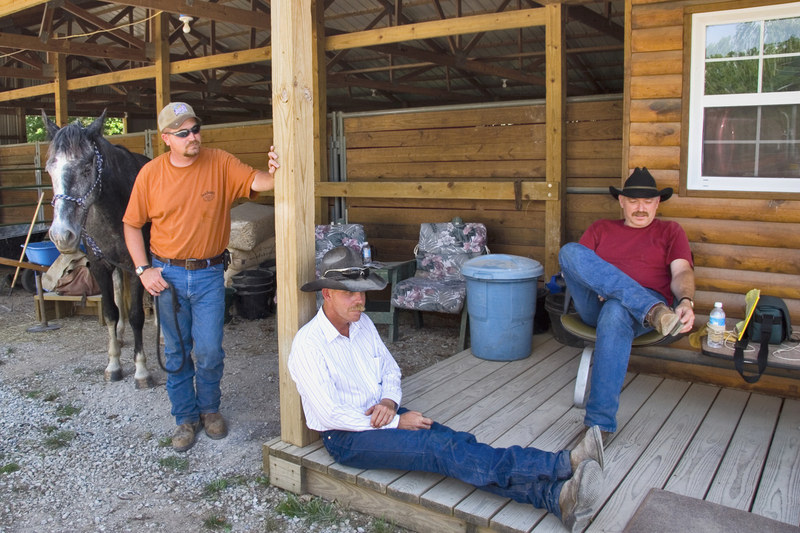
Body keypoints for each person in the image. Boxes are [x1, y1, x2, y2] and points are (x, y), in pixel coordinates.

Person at [289, 246, 605, 533]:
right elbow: (329, 413)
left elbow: (389, 370)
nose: (360, 301)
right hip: (347, 436)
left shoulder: (362, 324)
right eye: (350, 294)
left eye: (362, 292)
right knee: (440, 449)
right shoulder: (308, 344)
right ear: (327, 293)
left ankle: (553, 496)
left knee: (452, 442)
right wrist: (398, 421)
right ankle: (561, 464)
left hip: (383, 413)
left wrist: (388, 401)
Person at [122, 102, 280, 452]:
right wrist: (143, 270)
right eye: (183, 132)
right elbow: (131, 224)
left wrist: (276, 170)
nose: (193, 136)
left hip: (209, 274)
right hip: (168, 276)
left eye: (195, 129)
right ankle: (185, 418)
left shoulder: (220, 162)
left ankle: (210, 410)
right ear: (166, 138)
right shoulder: (150, 174)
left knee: (209, 350)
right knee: (177, 351)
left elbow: (260, 181)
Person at [558, 167, 695, 438]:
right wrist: (600, 284)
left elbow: (682, 272)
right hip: (596, 303)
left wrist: (687, 300)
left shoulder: (670, 231)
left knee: (616, 308)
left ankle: (598, 427)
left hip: (630, 313)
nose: (640, 208)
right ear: (621, 202)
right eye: (633, 201)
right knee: (569, 251)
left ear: (657, 203)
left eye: (647, 201)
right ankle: (652, 310)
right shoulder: (600, 228)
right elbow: (574, 268)